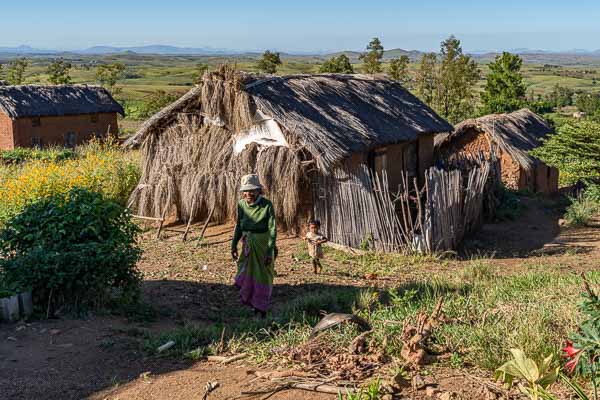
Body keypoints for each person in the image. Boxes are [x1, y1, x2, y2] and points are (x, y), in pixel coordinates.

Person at [231, 174, 276, 318]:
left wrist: (270, 251)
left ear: (258, 191)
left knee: (263, 275)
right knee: (245, 273)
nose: (248, 194)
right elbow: (239, 224)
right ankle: (251, 302)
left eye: (252, 190)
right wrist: (234, 244)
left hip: (263, 245)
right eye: (245, 191)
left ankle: (261, 308)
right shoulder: (241, 204)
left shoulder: (267, 205)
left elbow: (273, 229)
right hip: (247, 244)